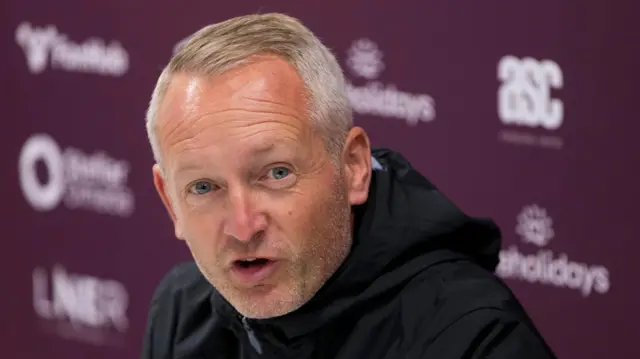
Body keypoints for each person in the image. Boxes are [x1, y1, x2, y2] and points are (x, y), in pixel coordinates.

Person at [140, 12, 557, 359]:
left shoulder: (472, 338)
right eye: (203, 188)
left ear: (353, 167)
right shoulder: (182, 311)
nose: (244, 227)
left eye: (277, 173)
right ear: (171, 202)